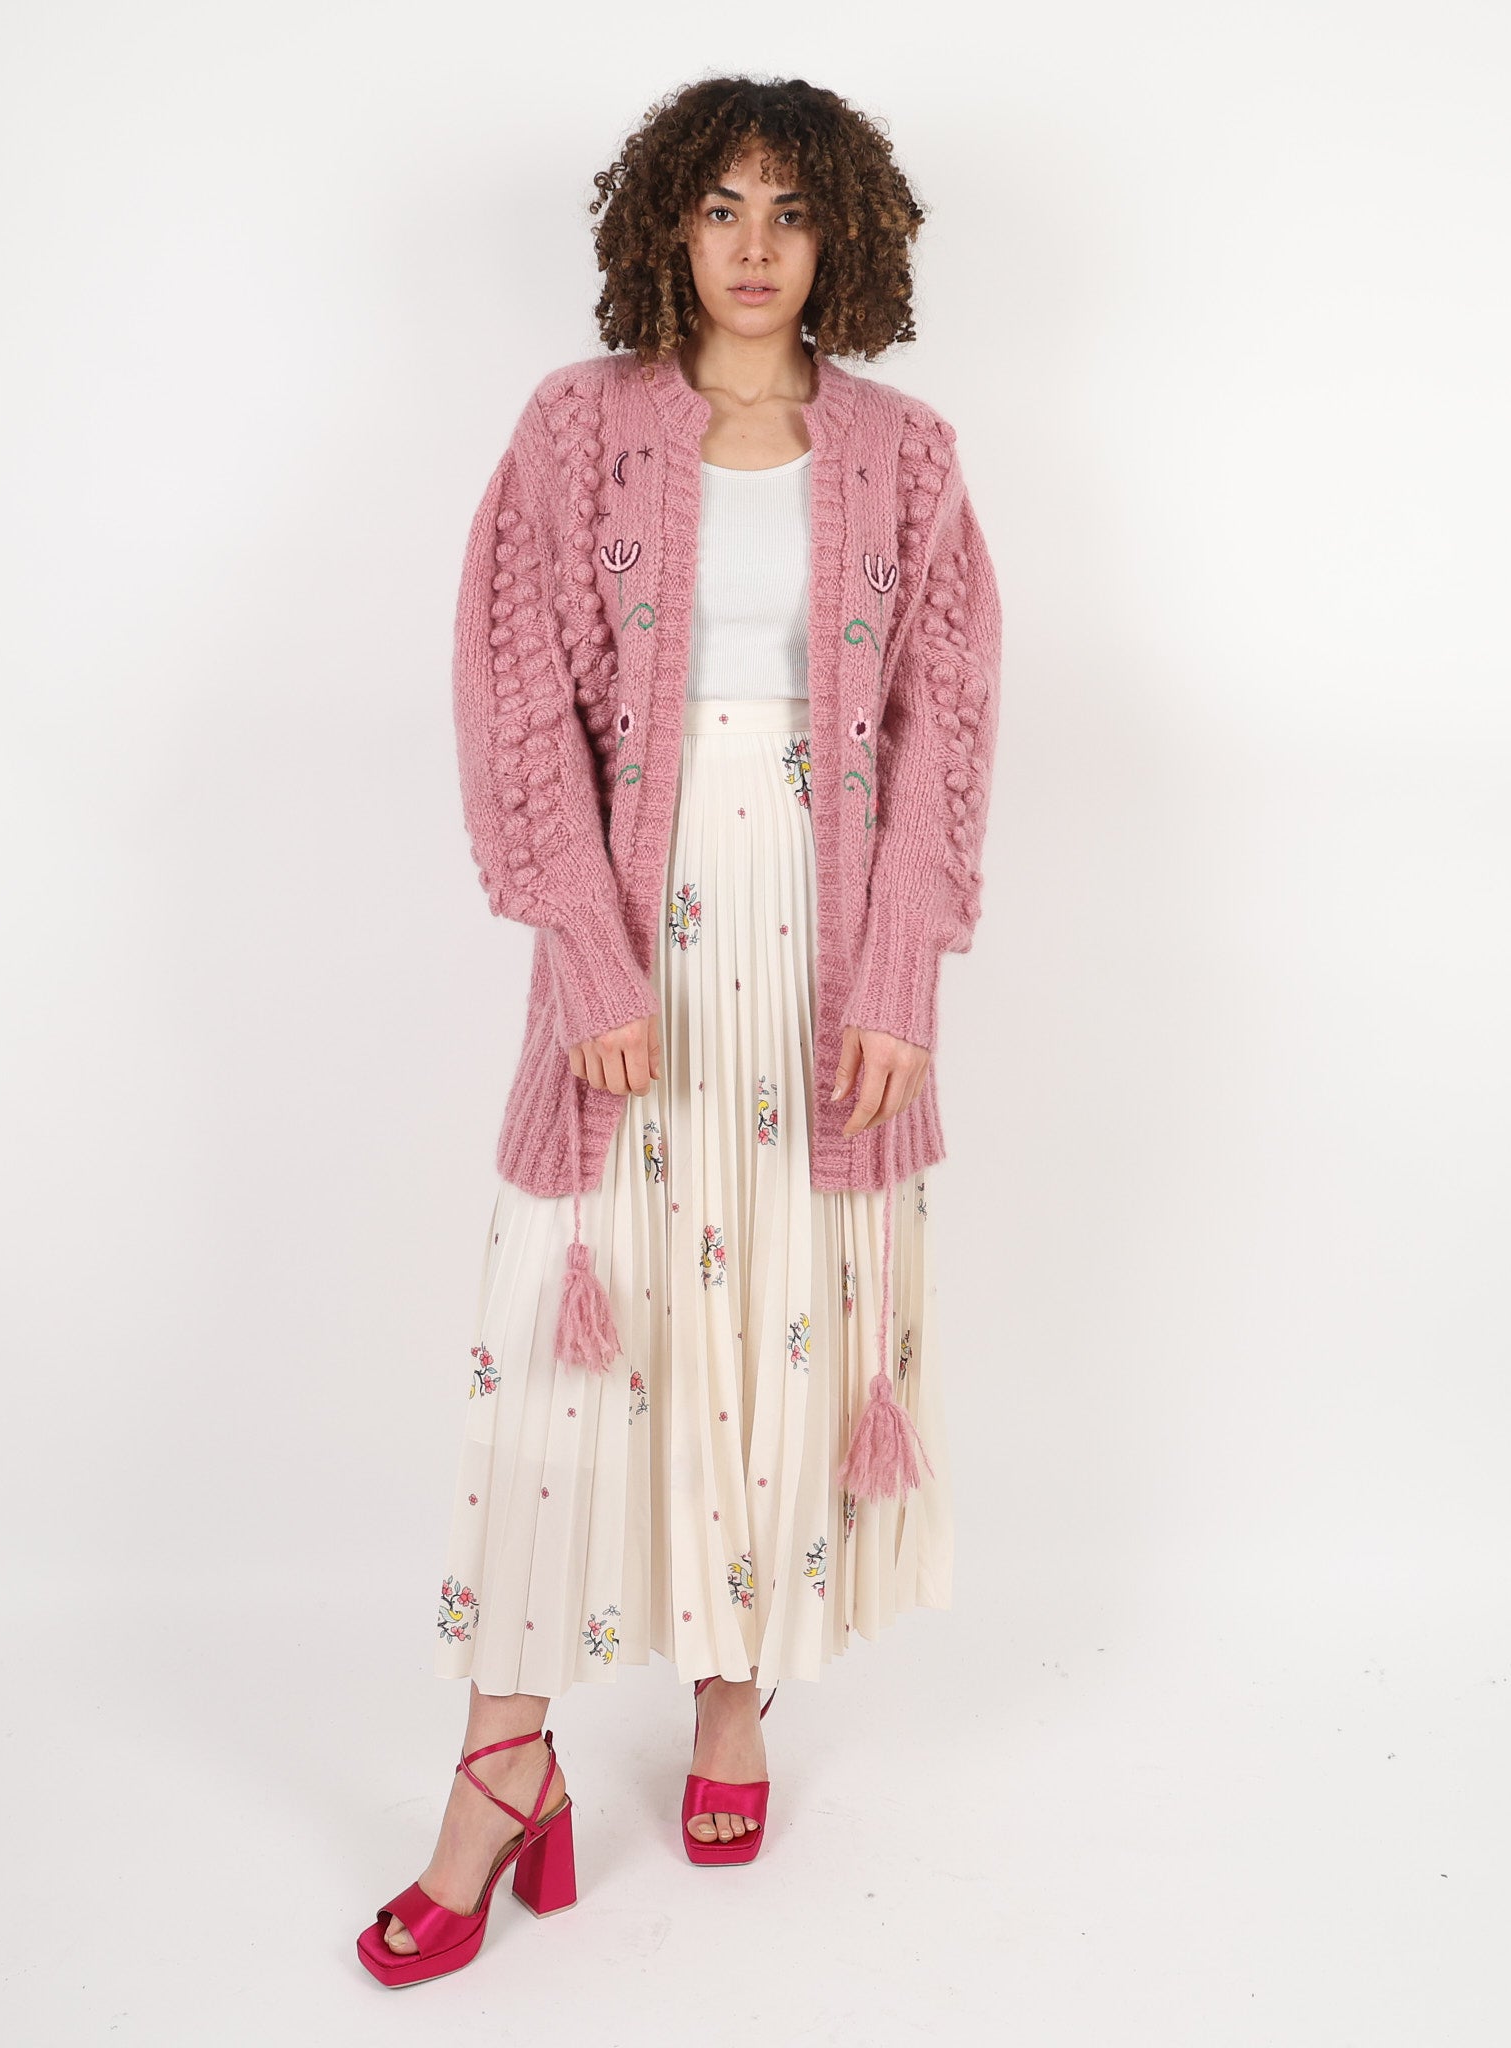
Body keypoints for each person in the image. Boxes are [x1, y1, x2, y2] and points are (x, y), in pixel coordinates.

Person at [359, 74, 1003, 1986]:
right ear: (665, 226)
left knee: (778, 1310)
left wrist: (903, 977)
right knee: (561, 1332)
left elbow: (947, 724)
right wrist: (586, 954)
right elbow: (511, 700)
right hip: (638, 933)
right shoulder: (576, 432)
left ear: (842, 240)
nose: (753, 246)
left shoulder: (906, 456)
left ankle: (735, 1688)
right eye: (720, 207)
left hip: (827, 950)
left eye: (790, 212)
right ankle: (504, 1763)